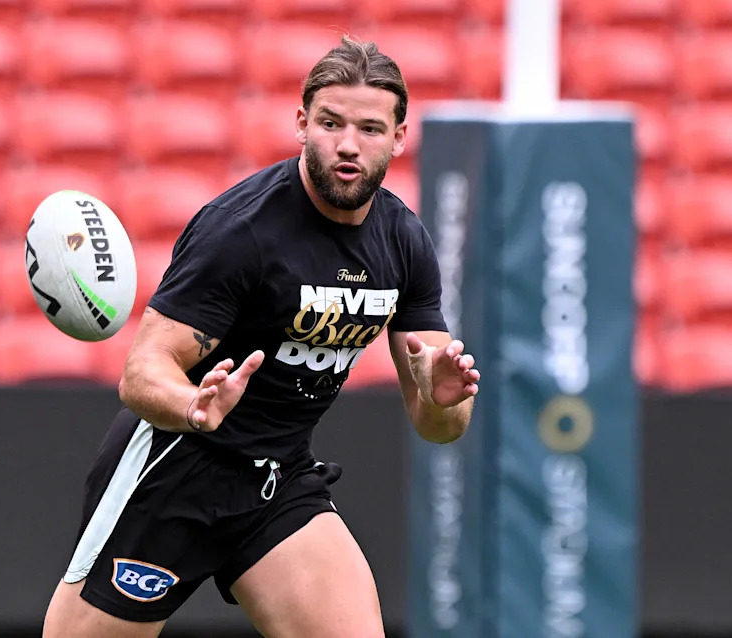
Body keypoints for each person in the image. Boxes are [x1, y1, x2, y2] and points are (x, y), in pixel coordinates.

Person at [43, 35, 480, 638]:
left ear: (400, 137)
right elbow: (142, 373)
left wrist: (443, 398)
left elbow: (437, 427)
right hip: (175, 472)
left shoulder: (403, 242)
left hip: (278, 478)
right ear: (302, 123)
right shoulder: (240, 231)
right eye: (330, 123)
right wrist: (191, 406)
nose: (348, 145)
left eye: (371, 129)